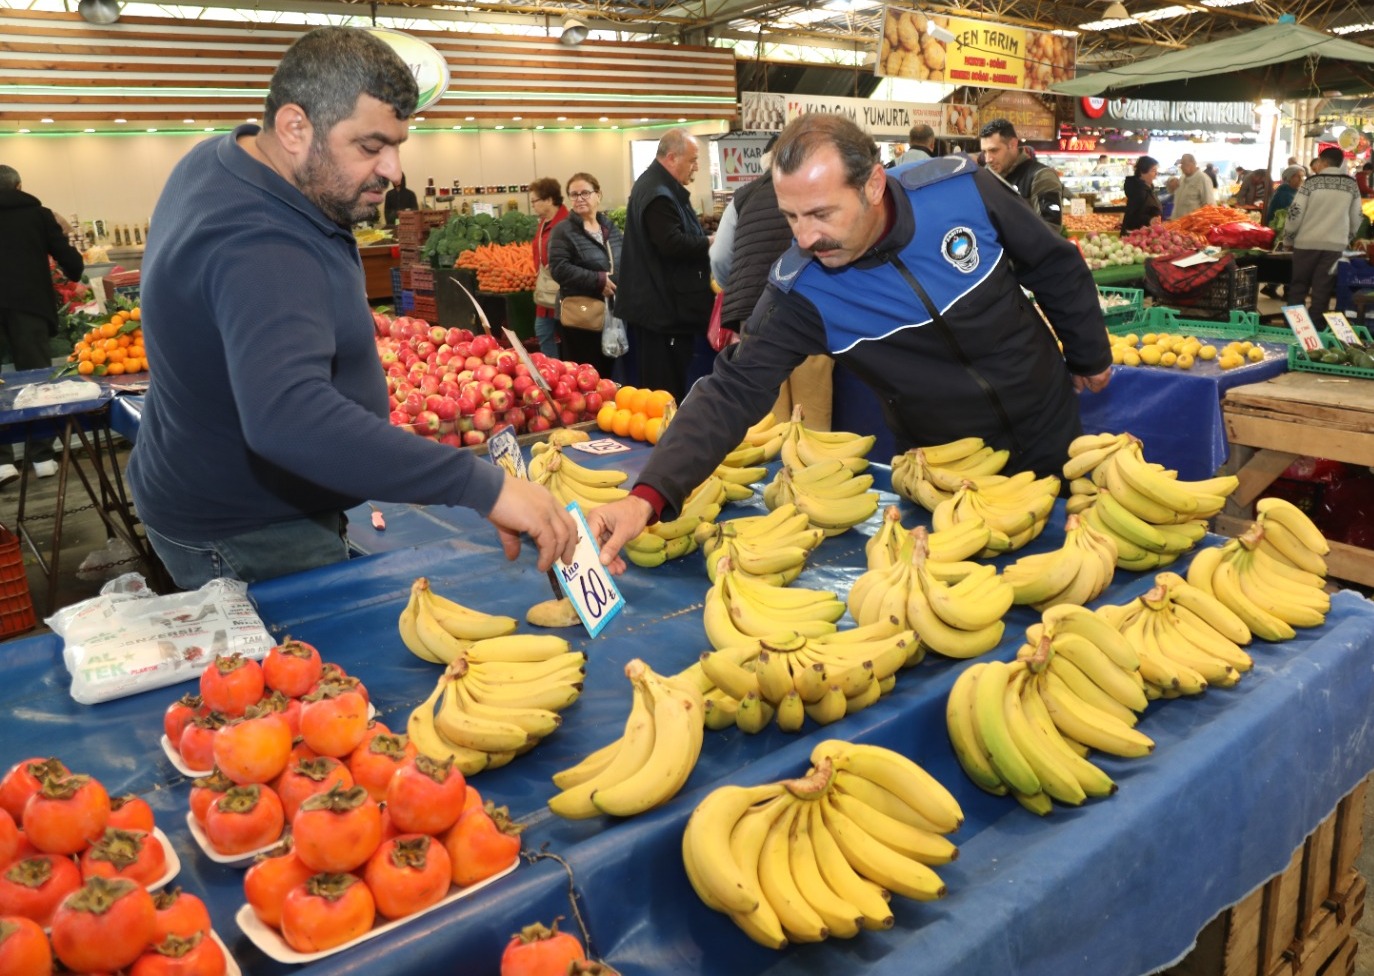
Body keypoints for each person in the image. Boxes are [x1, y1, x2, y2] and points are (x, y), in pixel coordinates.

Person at [127, 26, 576, 588]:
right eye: (370, 147)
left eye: (396, 146)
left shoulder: (231, 160)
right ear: (295, 128)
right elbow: (288, 419)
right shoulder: (260, 243)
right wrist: (484, 485)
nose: (393, 171)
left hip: (218, 486)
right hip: (250, 528)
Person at [587, 113, 1113, 571]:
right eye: (791, 216)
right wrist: (648, 497)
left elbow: (1052, 261)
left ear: (874, 185)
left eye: (821, 214)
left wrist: (1088, 351)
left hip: (1049, 421)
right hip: (948, 469)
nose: (805, 238)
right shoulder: (802, 289)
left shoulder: (959, 189)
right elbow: (732, 390)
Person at [709, 137, 833, 425]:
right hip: (811, 314)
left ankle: (770, 470)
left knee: (764, 417)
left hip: (754, 317)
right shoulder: (821, 196)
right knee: (811, 416)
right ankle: (813, 470)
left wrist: (736, 286)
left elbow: (718, 259)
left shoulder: (743, 196)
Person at [0, 164, 83, 486]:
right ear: (19, 186)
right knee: (36, 381)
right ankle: (42, 457)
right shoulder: (38, 214)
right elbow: (66, 255)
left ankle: (3, 463)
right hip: (30, 307)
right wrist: (75, 272)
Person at [617, 128, 714, 401]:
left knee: (663, 386)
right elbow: (671, 243)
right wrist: (710, 242)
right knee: (665, 390)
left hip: (659, 309)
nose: (696, 167)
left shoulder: (654, 186)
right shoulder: (658, 194)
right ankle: (667, 439)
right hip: (662, 311)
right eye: (693, 160)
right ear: (672, 157)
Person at [547, 171, 619, 378]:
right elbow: (559, 268)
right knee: (585, 373)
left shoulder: (609, 227)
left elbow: (623, 258)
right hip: (581, 315)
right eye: (574, 194)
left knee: (610, 371)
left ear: (599, 195)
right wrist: (598, 280)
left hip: (611, 312)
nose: (579, 199)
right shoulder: (563, 230)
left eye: (585, 193)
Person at [1281, 145, 1363, 318]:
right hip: (1335, 246)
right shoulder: (1351, 184)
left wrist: (1288, 240)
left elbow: (1295, 213)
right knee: (1322, 289)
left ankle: (1295, 328)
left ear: (1323, 161)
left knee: (1298, 286)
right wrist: (1346, 237)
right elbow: (1357, 216)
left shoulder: (1311, 183)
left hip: (1306, 244)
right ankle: (1317, 328)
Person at [978, 118, 1064, 227]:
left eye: (994, 150)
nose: (988, 159)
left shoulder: (1041, 176)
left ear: (1013, 144)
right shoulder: (986, 176)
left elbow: (1051, 228)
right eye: (984, 152)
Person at [529, 176, 569, 360]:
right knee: (543, 332)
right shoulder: (543, 222)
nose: (533, 205)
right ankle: (551, 370)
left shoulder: (567, 223)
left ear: (549, 200)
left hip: (563, 293)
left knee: (567, 337)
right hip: (545, 293)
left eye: (535, 201)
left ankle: (566, 371)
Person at [1121, 155, 1162, 233]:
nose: (1156, 173)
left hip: (1146, 233)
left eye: (1156, 170)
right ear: (1143, 172)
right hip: (1135, 236)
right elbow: (1132, 216)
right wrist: (1149, 220)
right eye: (1153, 170)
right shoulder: (1137, 191)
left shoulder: (1148, 188)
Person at [1171, 154, 1214, 220]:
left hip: (1192, 226)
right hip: (1176, 224)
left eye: (1184, 164)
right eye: (1181, 164)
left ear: (1193, 163)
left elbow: (1209, 205)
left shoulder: (1203, 179)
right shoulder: (1182, 178)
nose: (1182, 167)